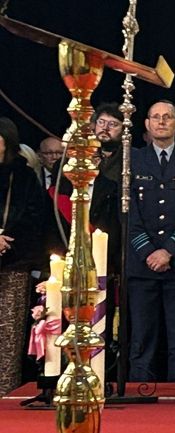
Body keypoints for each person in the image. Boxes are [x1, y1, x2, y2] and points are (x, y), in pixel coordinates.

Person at [126, 100, 175, 382]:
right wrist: (149, 251)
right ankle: (138, 391)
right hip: (141, 264)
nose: (161, 122)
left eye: (167, 117)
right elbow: (127, 213)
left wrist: (169, 251)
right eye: (155, 117)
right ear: (147, 124)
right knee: (141, 339)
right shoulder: (132, 160)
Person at [0, 117, 47, 395]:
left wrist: (5, 241)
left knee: (8, 334)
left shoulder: (23, 175)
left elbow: (33, 219)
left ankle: (5, 391)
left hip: (12, 262)